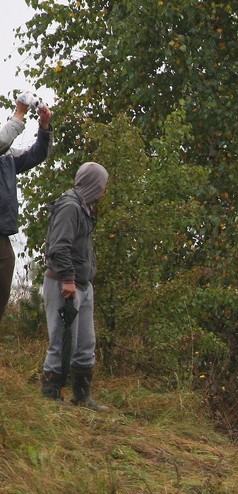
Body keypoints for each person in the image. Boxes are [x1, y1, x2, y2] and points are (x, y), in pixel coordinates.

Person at [40, 161, 110, 411]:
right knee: (60, 342)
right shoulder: (70, 206)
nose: (103, 191)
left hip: (82, 285)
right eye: (102, 186)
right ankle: (51, 398)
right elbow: (59, 247)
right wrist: (68, 279)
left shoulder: (83, 207)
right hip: (64, 283)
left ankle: (82, 397)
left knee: (85, 345)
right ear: (93, 184)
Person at [0, 93, 53, 321]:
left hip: (2, 236)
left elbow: (37, 155)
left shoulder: (6, 158)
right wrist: (20, 112)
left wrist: (44, 126)